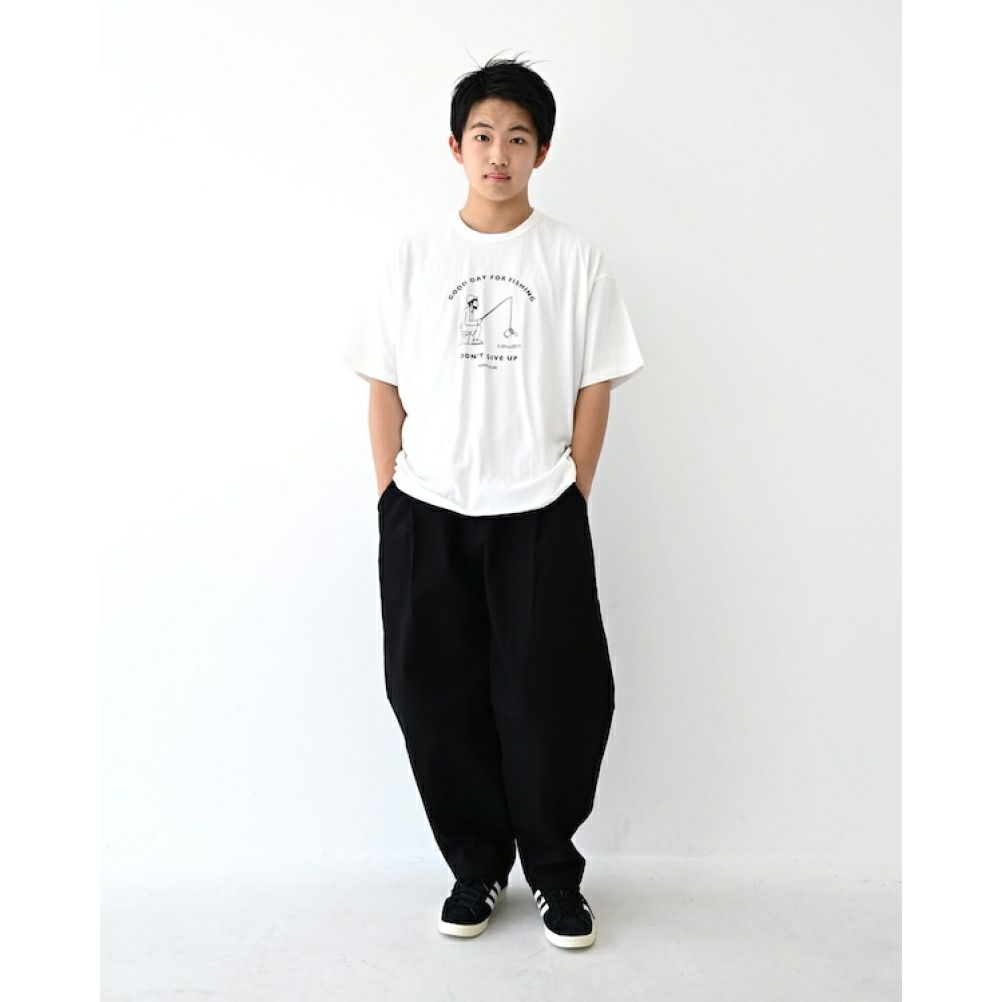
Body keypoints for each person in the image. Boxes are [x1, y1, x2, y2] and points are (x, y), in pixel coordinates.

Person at [337, 52, 644, 949]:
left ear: (541, 151)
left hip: (539, 508)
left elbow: (596, 383)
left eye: (517, 137)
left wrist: (573, 489)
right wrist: (391, 494)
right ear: (455, 147)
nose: (498, 153)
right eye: (482, 136)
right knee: (432, 693)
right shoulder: (414, 257)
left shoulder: (574, 259)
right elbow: (382, 383)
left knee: (555, 697)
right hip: (427, 508)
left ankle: (553, 873)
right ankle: (475, 868)